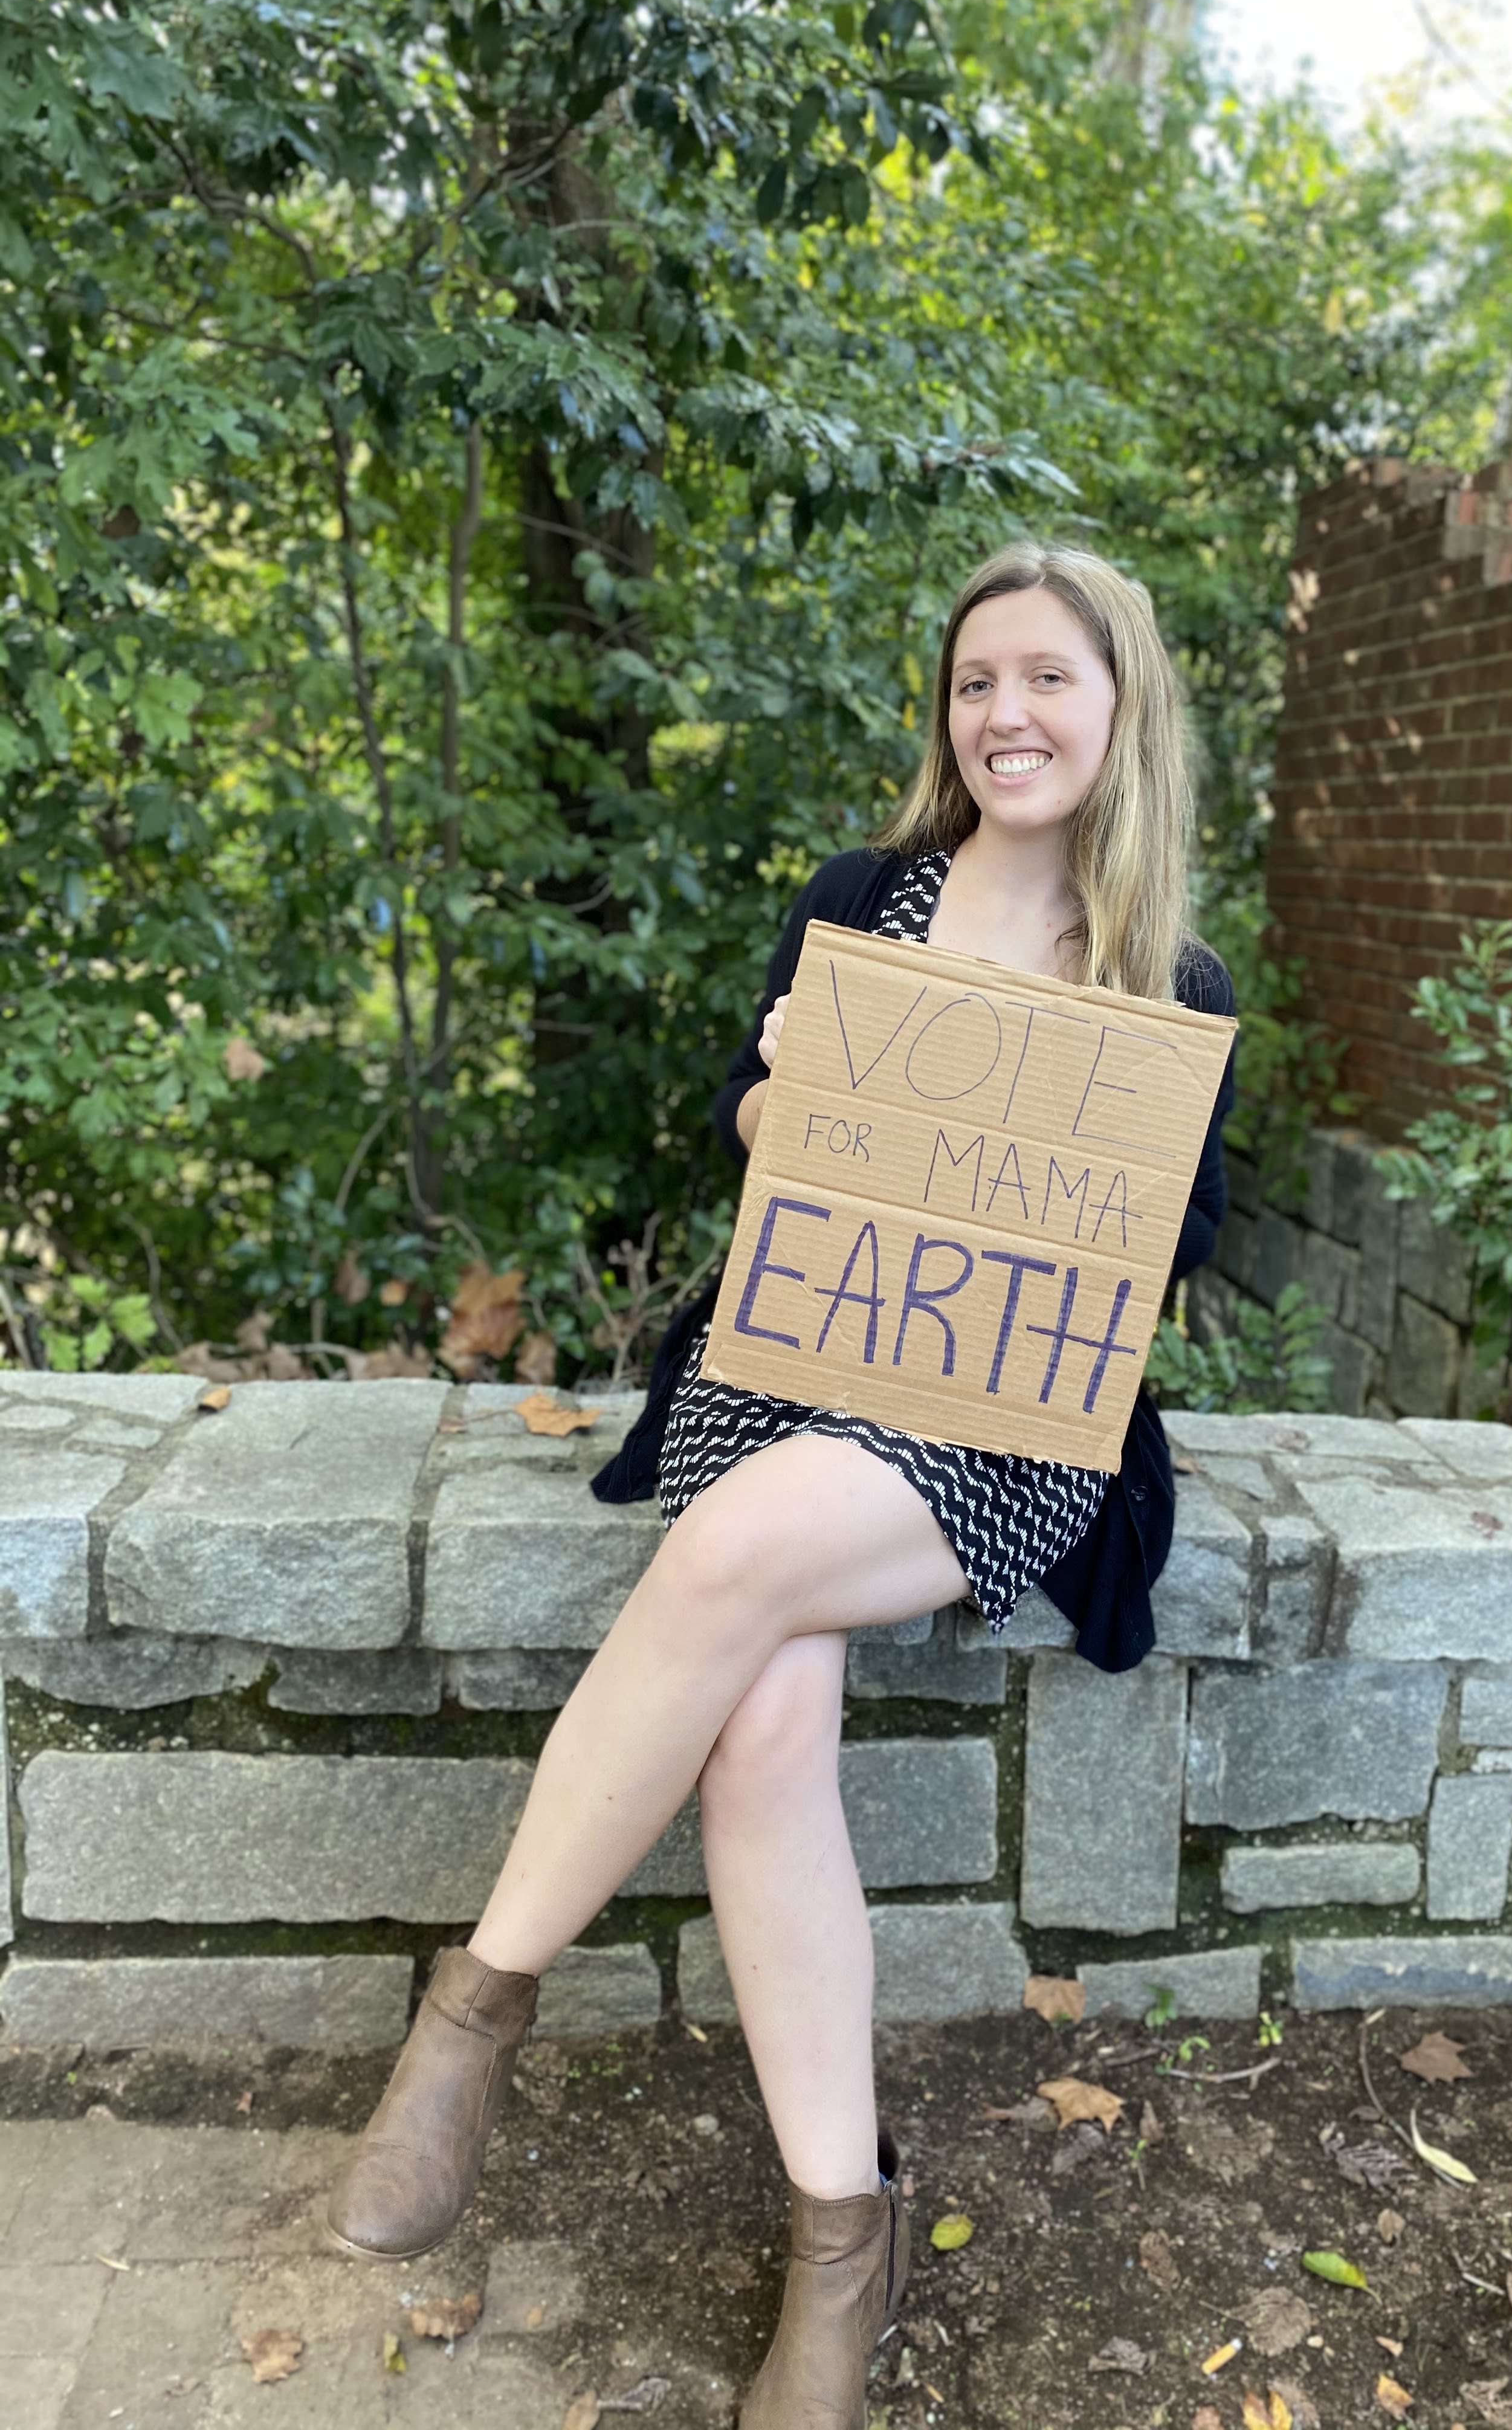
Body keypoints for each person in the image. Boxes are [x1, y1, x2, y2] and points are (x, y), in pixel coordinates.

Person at [325, 540, 1236, 2428]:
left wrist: (1042, 1165)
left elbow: (1184, 1240)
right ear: (948, 714)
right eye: (978, 683)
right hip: (793, 1354)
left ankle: (473, 2012)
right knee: (761, 1726)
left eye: (1048, 680)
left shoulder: (1162, 978)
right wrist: (805, 1104)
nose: (1008, 716)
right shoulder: (866, 900)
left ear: (1121, 704)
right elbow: (751, 1102)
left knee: (735, 1552)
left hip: (994, 1417)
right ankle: (847, 2231)